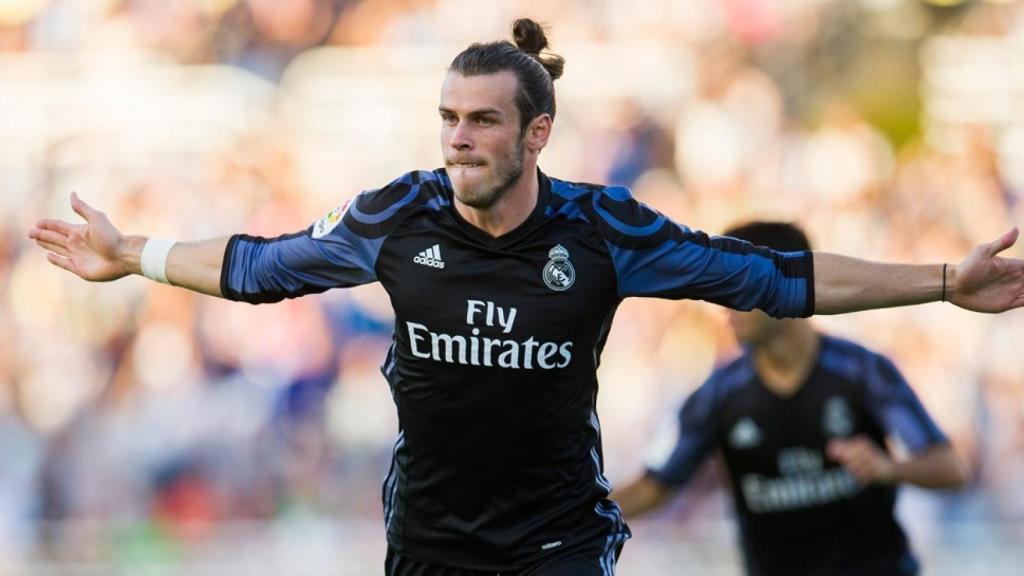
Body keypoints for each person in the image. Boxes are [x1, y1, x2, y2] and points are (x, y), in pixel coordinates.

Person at [26, 18, 1022, 576]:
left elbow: (778, 281)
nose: (456, 139)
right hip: (429, 545)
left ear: (536, 134)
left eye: (481, 122)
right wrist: (136, 254)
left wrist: (943, 282)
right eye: (447, 118)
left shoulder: (604, 231)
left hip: (558, 547)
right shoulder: (395, 218)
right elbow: (257, 266)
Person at [611, 221, 971, 576]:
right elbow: (653, 486)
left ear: (782, 283)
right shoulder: (717, 394)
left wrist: (889, 468)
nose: (723, 308)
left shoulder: (862, 372)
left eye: (733, 287)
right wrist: (567, 520)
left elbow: (950, 467)